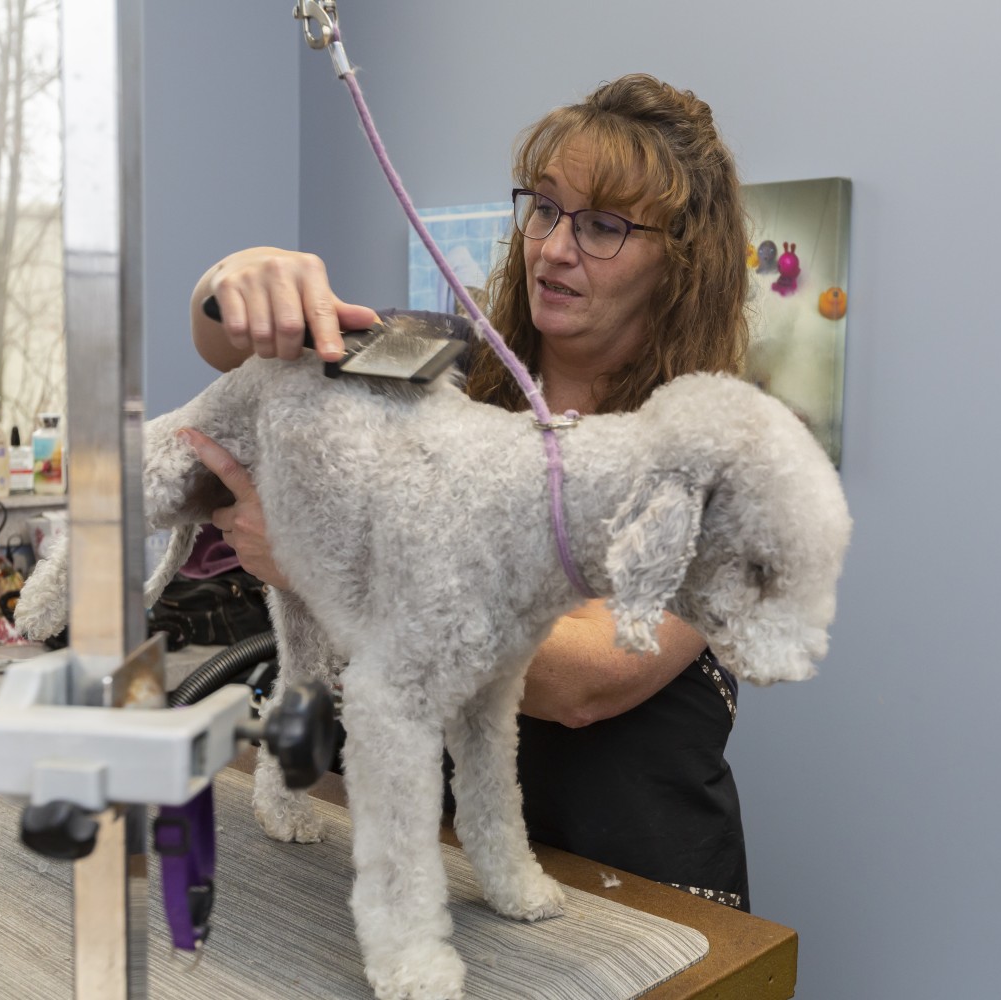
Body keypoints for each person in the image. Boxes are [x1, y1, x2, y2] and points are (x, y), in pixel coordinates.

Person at [185, 73, 754, 910]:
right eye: (546, 209)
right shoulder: (439, 370)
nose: (554, 247)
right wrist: (242, 277)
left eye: (601, 227)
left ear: (681, 264)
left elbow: (583, 683)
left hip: (625, 890)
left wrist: (319, 559)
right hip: (437, 859)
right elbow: (227, 350)